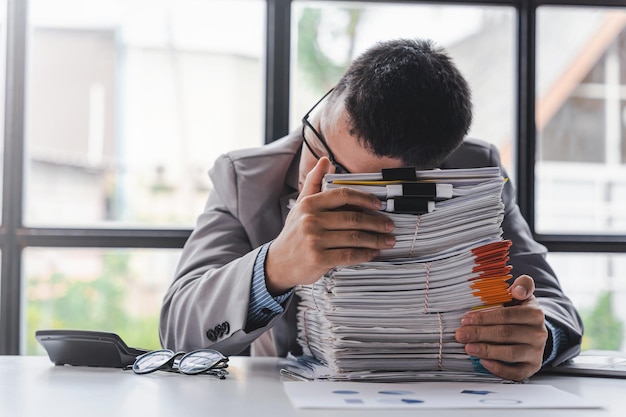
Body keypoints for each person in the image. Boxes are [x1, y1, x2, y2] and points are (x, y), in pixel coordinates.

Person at [159, 38, 583, 382]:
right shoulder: (244, 180)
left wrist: (539, 337)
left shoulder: (474, 170)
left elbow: (553, 303)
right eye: (326, 159)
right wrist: (274, 267)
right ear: (331, 96)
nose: (332, 186)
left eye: (375, 186)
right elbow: (178, 332)